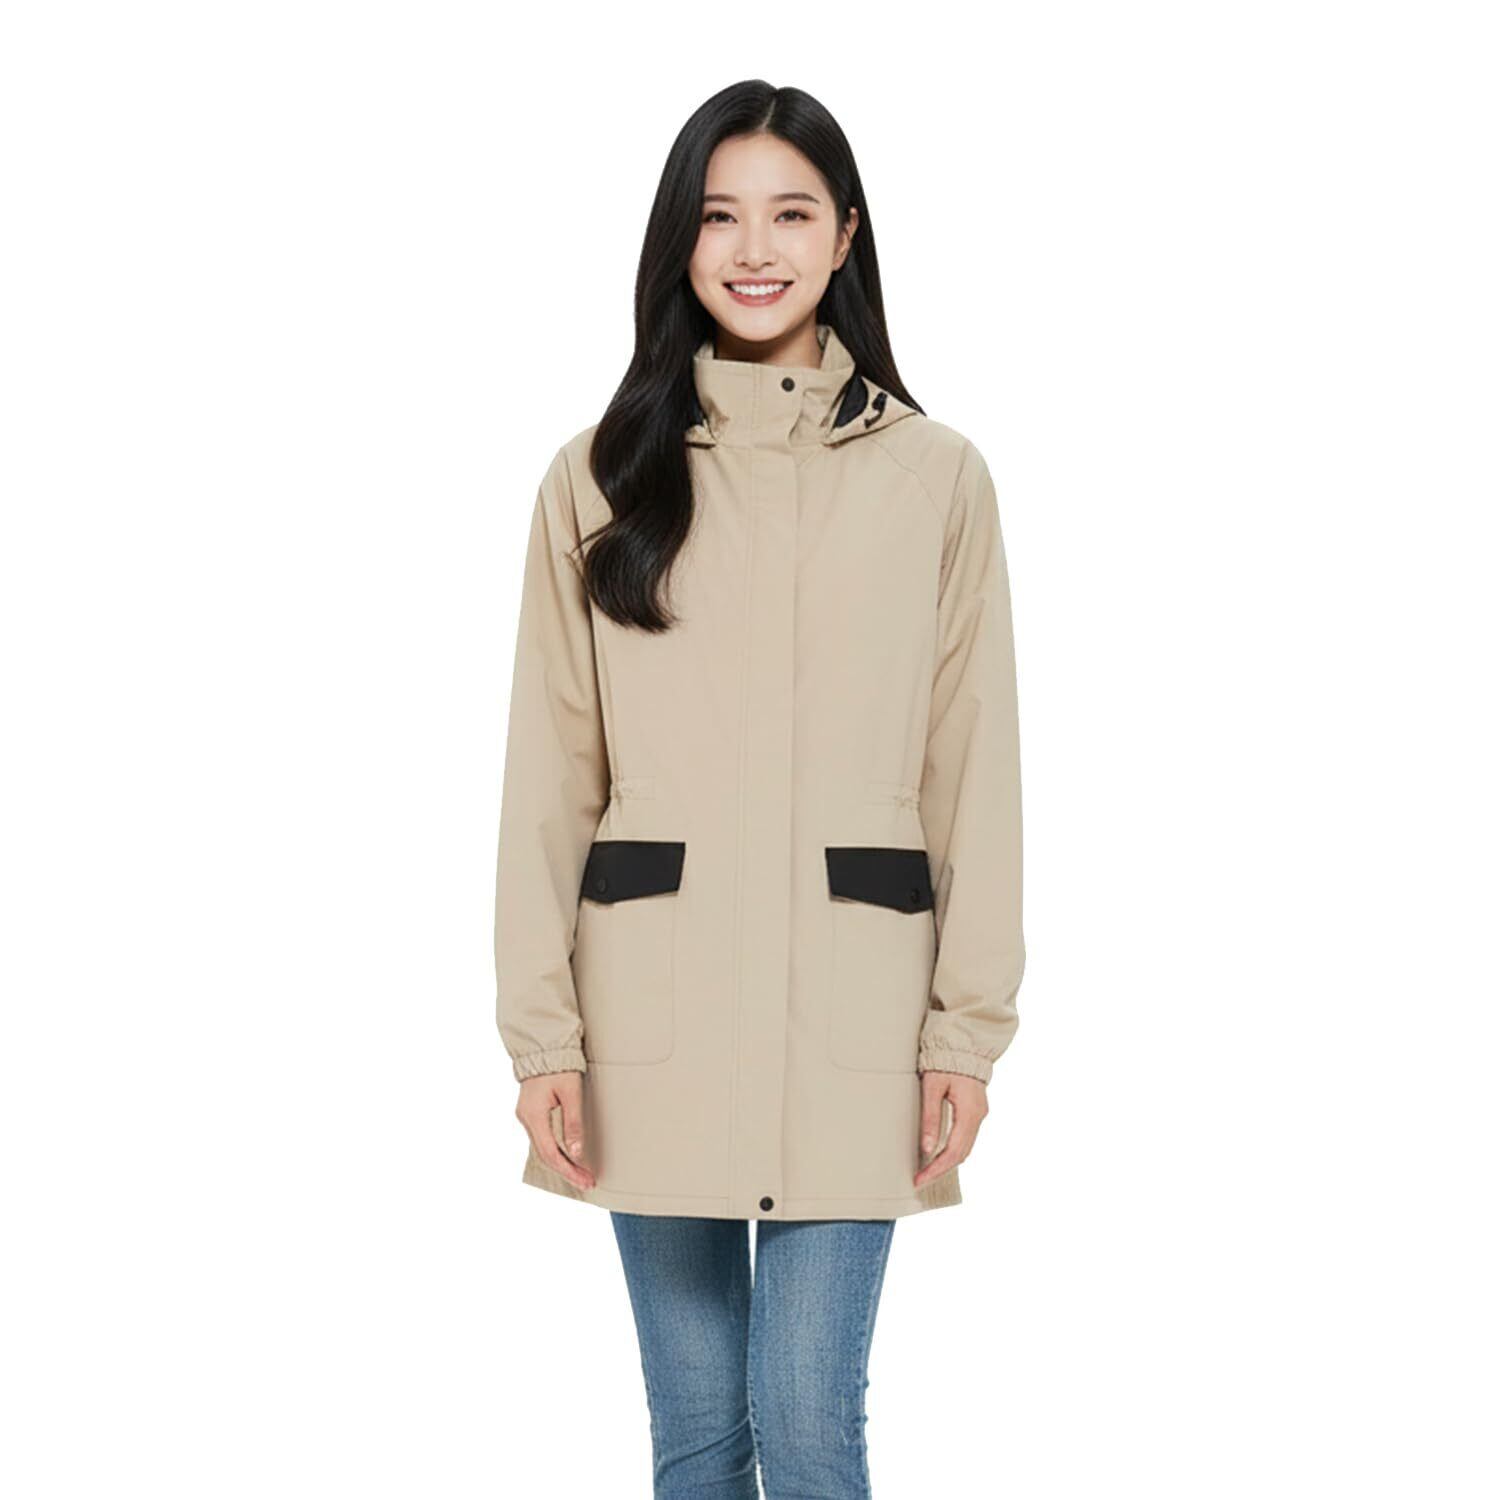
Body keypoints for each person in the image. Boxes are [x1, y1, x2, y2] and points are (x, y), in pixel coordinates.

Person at [493, 78, 1024, 1499]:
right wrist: (541, 1039)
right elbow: (550, 778)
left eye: (790, 214)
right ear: (680, 240)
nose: (753, 249)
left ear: (846, 237)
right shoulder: (599, 478)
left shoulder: (937, 480)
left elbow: (974, 769)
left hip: (857, 1018)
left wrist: (966, 1036)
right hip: (648, 1016)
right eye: (719, 215)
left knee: (808, 1429)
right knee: (695, 1440)